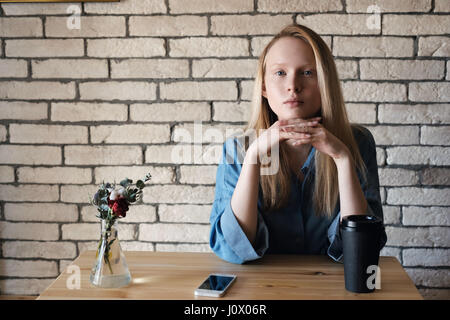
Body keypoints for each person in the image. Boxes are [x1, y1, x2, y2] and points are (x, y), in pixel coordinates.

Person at [209, 23, 387, 264]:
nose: (293, 86)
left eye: (307, 72)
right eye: (280, 73)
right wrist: (252, 158)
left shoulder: (358, 143)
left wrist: (343, 159)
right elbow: (231, 248)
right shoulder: (238, 149)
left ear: (325, 84)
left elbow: (362, 248)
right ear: (263, 86)